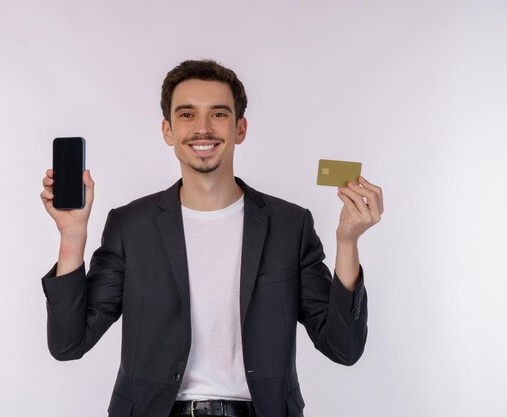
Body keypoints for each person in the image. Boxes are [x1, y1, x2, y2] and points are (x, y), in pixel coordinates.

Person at [39, 59, 384, 417]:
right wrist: (72, 235)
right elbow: (68, 343)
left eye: (218, 114)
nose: (202, 129)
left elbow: (343, 348)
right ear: (168, 130)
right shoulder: (131, 226)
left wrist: (348, 243)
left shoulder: (289, 225)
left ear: (240, 128)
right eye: (186, 115)